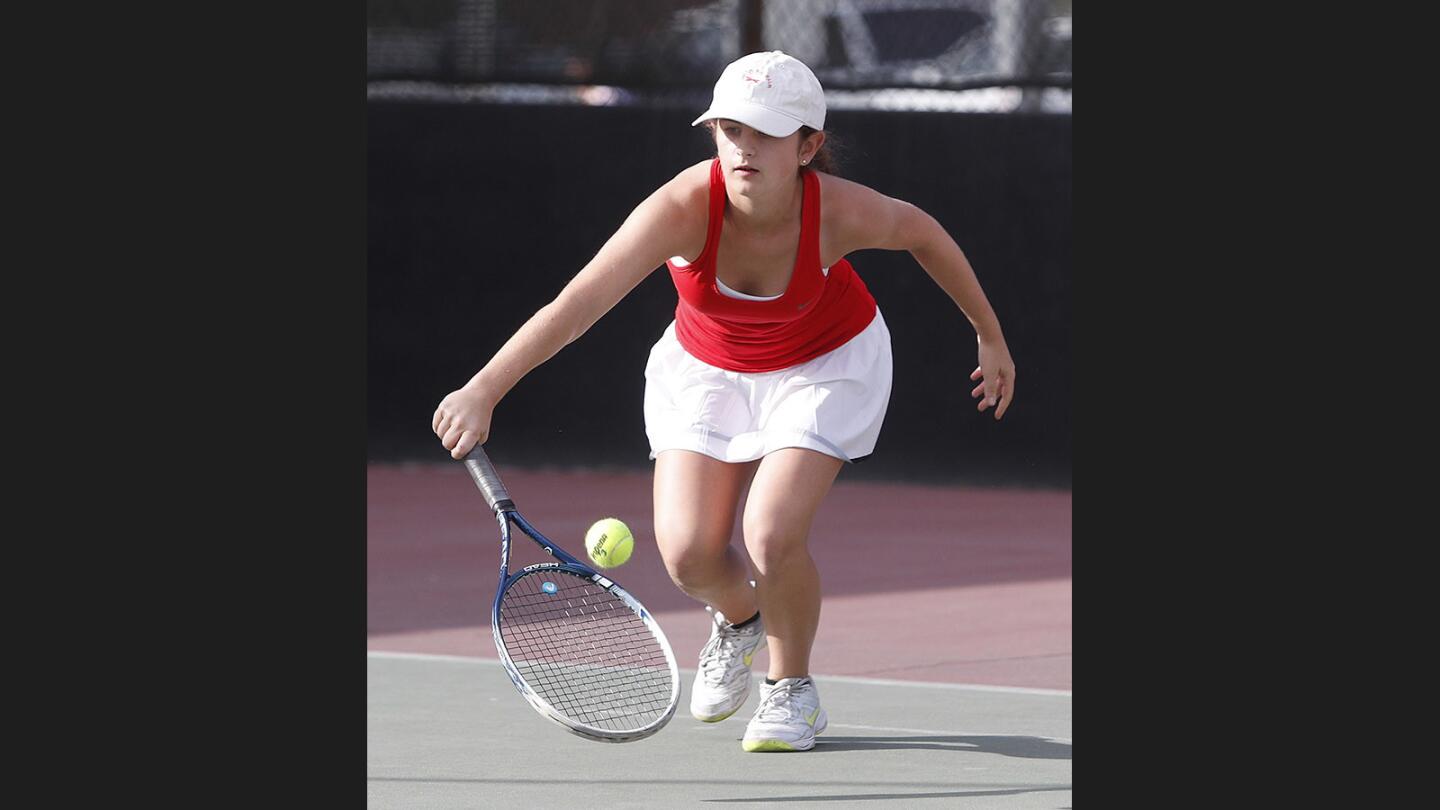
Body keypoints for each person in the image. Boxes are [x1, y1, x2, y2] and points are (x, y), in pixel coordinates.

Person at [432, 50, 1015, 752]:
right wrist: (484, 387)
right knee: (687, 555)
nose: (744, 147)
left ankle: (790, 689)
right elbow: (578, 303)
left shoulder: (838, 213)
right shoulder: (681, 208)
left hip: (824, 366)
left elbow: (922, 232)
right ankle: (740, 618)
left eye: (766, 133)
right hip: (707, 370)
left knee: (770, 531)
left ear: (808, 146)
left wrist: (989, 335)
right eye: (730, 129)